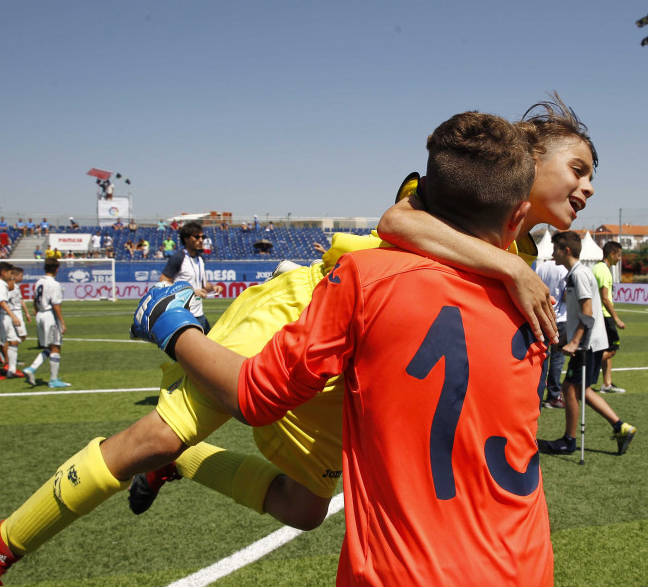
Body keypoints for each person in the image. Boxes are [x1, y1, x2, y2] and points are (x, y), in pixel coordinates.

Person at [0, 94, 594, 582]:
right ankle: (8, 544)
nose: (588, 187)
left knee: (306, 510)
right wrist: (509, 268)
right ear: (529, 159)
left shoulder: (522, 244)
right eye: (579, 169)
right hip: (305, 311)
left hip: (363, 362)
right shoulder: (470, 204)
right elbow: (397, 222)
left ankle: (187, 462)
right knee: (154, 436)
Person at [537, 232, 636, 456]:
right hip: (587, 342)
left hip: (588, 344)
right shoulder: (574, 274)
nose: (552, 254)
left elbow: (587, 313)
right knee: (581, 390)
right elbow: (576, 314)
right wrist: (563, 339)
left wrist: (574, 342)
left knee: (569, 388)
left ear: (566, 251)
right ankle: (621, 427)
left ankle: (569, 441)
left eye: (556, 249)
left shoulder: (580, 274)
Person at [159, 222, 223, 333]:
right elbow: (163, 282)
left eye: (202, 237)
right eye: (197, 237)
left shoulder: (200, 258)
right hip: (183, 315)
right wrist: (191, 291)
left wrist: (213, 287)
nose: (201, 240)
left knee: (211, 346)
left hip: (199, 314)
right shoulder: (178, 258)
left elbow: (204, 285)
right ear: (186, 239)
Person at [21, 258, 69, 388]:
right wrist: (62, 322)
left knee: (49, 347)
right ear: (57, 269)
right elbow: (56, 305)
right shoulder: (54, 284)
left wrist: (35, 310)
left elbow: (35, 298)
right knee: (56, 346)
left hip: (40, 314)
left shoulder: (39, 282)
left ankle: (31, 368)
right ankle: (53, 380)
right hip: (49, 316)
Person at [593, 241, 626, 393]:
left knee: (607, 348)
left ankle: (607, 384)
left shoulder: (597, 268)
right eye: (618, 255)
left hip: (597, 315)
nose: (619, 259)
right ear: (611, 254)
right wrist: (617, 319)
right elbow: (605, 298)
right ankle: (584, 365)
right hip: (604, 316)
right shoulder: (604, 271)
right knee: (611, 350)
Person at [536, 258, 567, 408]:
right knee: (557, 358)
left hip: (542, 316)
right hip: (559, 318)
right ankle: (553, 395)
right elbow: (567, 295)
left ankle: (537, 393)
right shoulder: (564, 269)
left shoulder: (542, 267)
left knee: (542, 356)